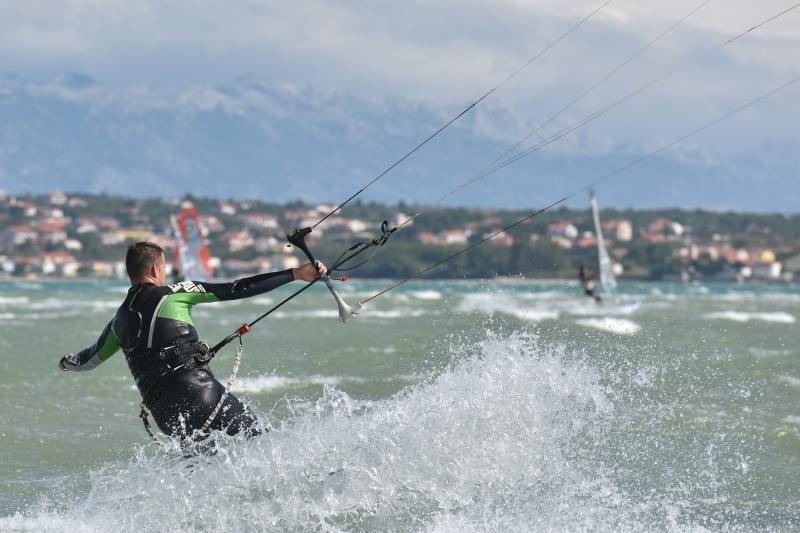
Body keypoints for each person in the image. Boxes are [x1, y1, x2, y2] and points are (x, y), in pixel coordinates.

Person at [58, 241, 326, 441]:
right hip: (199, 394)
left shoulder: (117, 323)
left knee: (207, 474)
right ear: (154, 268)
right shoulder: (175, 293)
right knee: (264, 443)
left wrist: (66, 362)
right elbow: (238, 288)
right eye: (163, 267)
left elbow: (87, 360)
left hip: (166, 416)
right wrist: (296, 274)